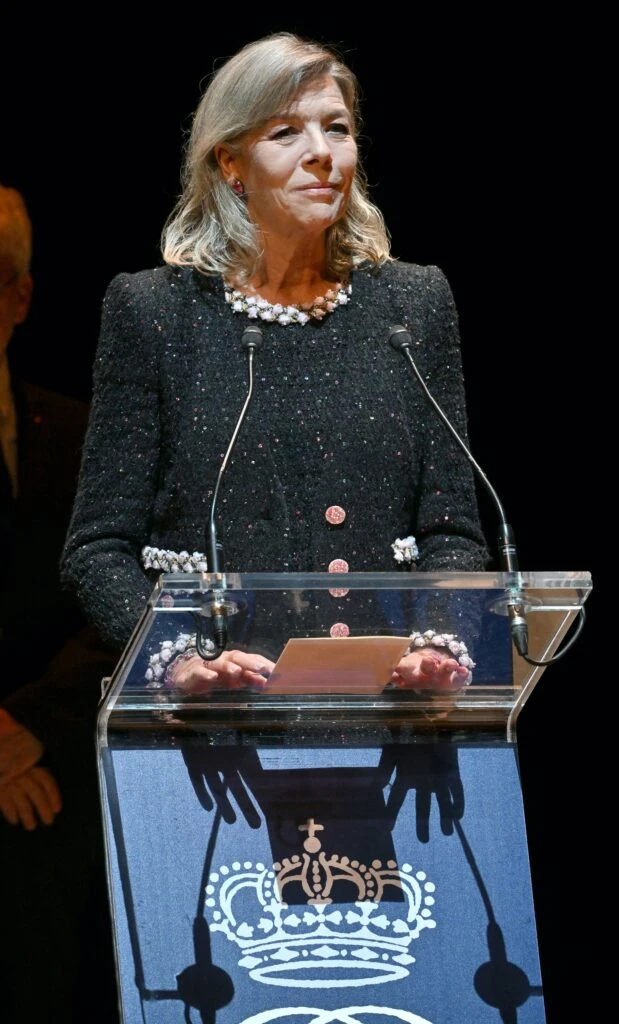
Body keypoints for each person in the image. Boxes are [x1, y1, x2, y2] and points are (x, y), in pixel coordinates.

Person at [60, 31, 492, 703]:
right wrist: (180, 661)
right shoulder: (155, 312)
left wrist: (439, 644)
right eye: (286, 132)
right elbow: (97, 549)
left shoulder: (412, 304)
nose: (322, 152)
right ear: (231, 163)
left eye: (337, 128)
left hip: (388, 711)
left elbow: (452, 530)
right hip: (218, 724)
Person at [0, 184, 119, 1023]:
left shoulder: (84, 437)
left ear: (19, 296)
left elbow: (123, 604)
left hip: (55, 784)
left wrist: (28, 728)